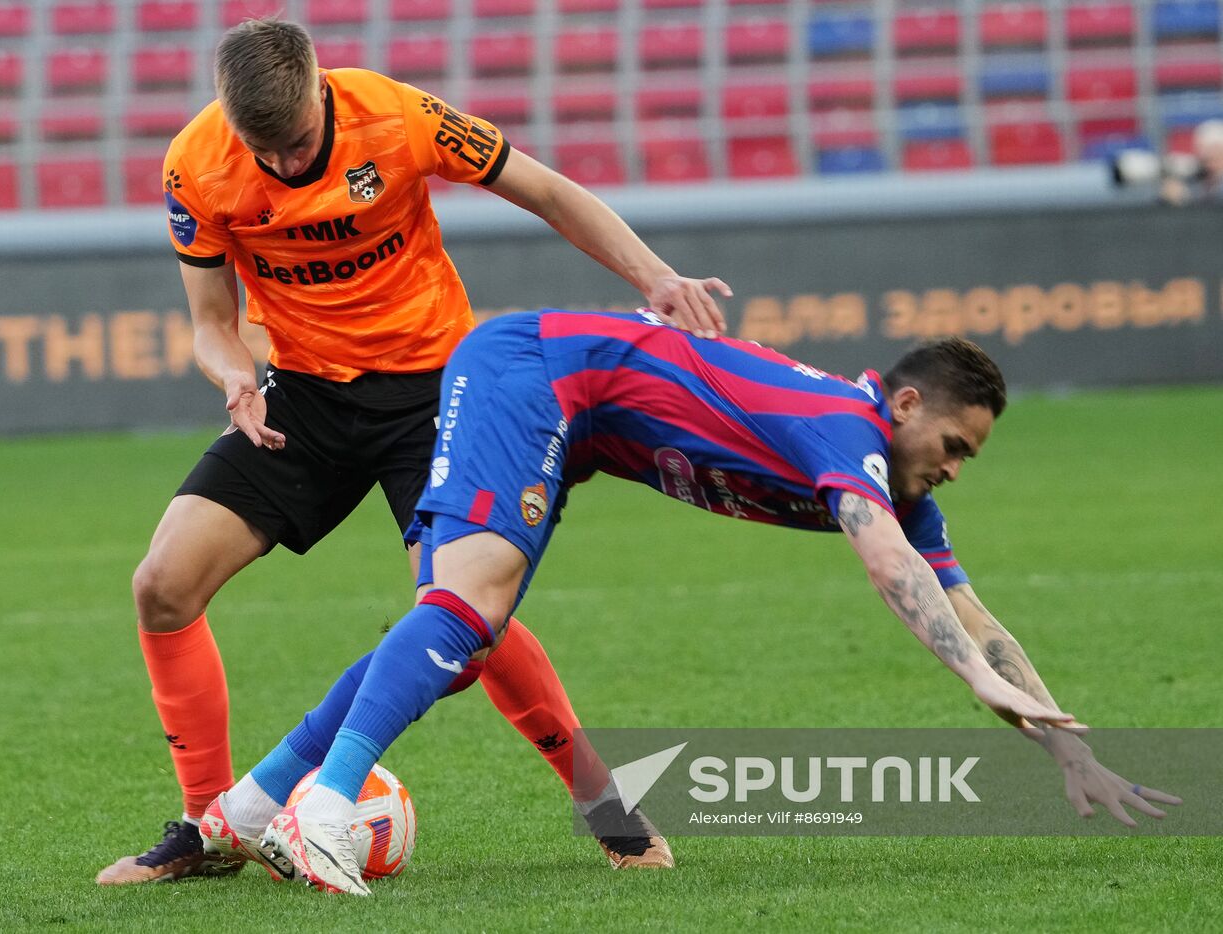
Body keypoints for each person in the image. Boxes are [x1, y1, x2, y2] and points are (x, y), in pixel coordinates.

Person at [97, 19, 730, 885]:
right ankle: (210, 826)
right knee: (161, 585)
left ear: (322, 92)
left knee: (466, 616)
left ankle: (606, 807)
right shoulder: (195, 163)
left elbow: (544, 189)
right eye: (262, 149)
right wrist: (233, 377)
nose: (280, 166)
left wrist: (654, 276)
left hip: (436, 391)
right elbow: (210, 322)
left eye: (294, 145)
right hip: (301, 397)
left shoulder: (396, 116)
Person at [254, 309, 1180, 896]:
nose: (953, 468)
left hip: (571, 417)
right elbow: (888, 566)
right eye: (954, 444)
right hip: (531, 370)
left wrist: (1069, 748)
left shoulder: (903, 492)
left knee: (457, 640)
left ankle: (258, 801)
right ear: (903, 404)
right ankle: (326, 807)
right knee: (465, 614)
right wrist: (977, 679)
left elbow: (972, 610)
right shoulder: (843, 430)